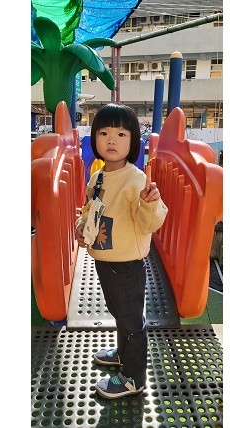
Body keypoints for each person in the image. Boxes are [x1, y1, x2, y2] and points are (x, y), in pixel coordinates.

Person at [75, 104, 168, 399]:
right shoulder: (98, 177)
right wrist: (81, 226)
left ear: (133, 141)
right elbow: (89, 209)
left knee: (131, 321)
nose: (111, 140)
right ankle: (122, 353)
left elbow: (149, 223)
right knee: (119, 312)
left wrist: (150, 203)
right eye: (104, 133)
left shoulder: (135, 179)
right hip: (104, 260)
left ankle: (133, 378)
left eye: (121, 134)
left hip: (128, 263)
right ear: (94, 139)